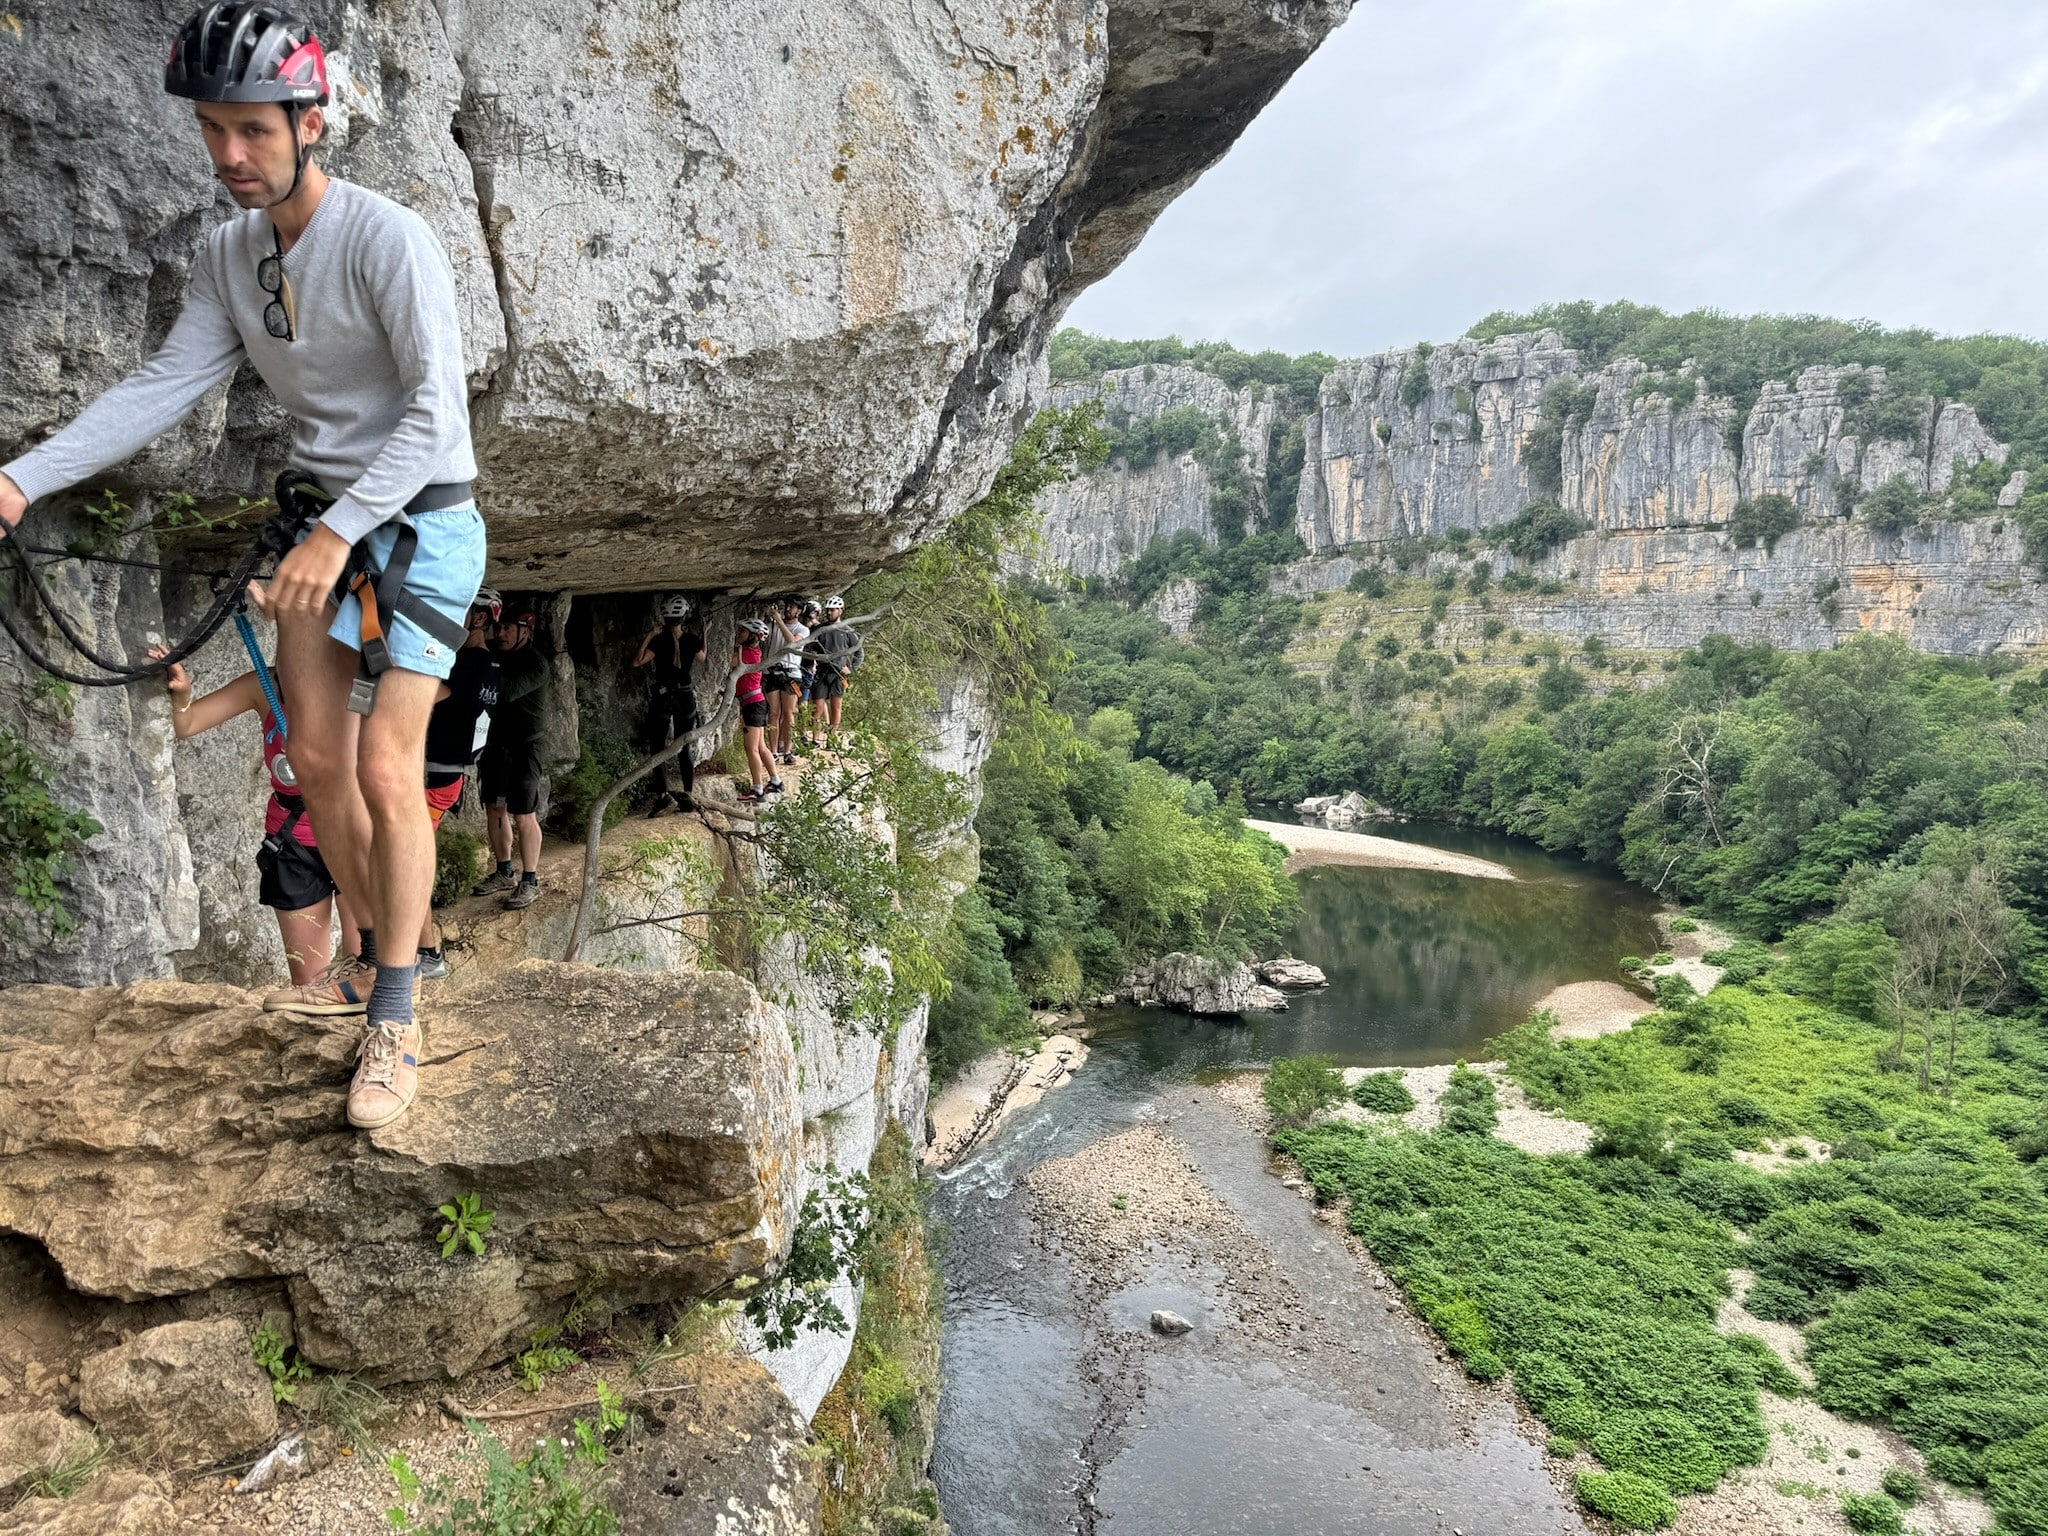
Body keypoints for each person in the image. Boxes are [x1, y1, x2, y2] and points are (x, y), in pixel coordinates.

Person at [0, 5, 485, 1132]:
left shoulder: (387, 239)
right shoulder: (230, 255)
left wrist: (336, 533)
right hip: (325, 517)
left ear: (309, 123)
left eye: (253, 131)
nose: (229, 156)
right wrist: (23, 478)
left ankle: (398, 1016)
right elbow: (163, 387)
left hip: (424, 518)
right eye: (213, 131)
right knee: (313, 758)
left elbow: (434, 413)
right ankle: (371, 955)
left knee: (382, 761)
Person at [150, 642, 360, 995]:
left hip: (354, 837)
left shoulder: (357, 681)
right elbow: (187, 723)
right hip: (294, 844)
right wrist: (182, 694)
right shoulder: (263, 685)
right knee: (308, 987)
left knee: (365, 970)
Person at [414, 588, 502, 975]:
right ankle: (419, 950)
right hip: (446, 773)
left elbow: (424, 695)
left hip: (435, 774)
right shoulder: (488, 666)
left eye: (460, 610)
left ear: (479, 618)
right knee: (408, 858)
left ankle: (426, 953)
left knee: (409, 861)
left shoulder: (467, 663)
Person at [472, 607, 547, 908]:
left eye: (508, 629)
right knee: (495, 808)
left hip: (526, 747)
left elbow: (504, 692)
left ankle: (530, 880)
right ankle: (504, 872)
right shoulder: (490, 650)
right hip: (495, 744)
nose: (500, 634)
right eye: (498, 628)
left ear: (525, 633)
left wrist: (478, 657)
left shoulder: (535, 664)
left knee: (524, 813)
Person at [632, 595, 705, 817]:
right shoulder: (692, 639)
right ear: (683, 617)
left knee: (658, 746)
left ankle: (664, 796)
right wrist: (705, 633)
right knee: (683, 745)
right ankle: (688, 795)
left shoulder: (659, 640)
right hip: (684, 696)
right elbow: (703, 657)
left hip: (663, 696)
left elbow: (637, 662)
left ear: (665, 617)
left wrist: (649, 635)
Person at [808, 595, 860, 747]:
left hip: (838, 673)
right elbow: (809, 648)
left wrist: (851, 668)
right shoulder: (819, 629)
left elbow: (859, 652)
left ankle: (832, 739)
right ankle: (816, 739)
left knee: (836, 707)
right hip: (822, 671)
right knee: (817, 707)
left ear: (840, 611)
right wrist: (811, 663)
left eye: (833, 610)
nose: (829, 613)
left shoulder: (848, 630)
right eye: (828, 610)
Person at [734, 617, 776, 802]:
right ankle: (775, 780)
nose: (738, 634)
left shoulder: (749, 654)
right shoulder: (751, 651)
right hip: (756, 702)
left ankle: (757, 788)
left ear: (753, 636)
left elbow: (727, 662)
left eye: (743, 632)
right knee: (760, 746)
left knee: (751, 748)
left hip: (753, 704)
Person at [766, 598, 809, 767]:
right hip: (772, 672)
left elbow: (792, 642)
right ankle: (774, 751)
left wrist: (778, 621)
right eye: (787, 606)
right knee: (774, 713)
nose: (788, 609)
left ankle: (788, 751)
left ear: (799, 611)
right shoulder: (772, 626)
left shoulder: (803, 629)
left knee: (788, 715)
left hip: (791, 673)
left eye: (792, 607)